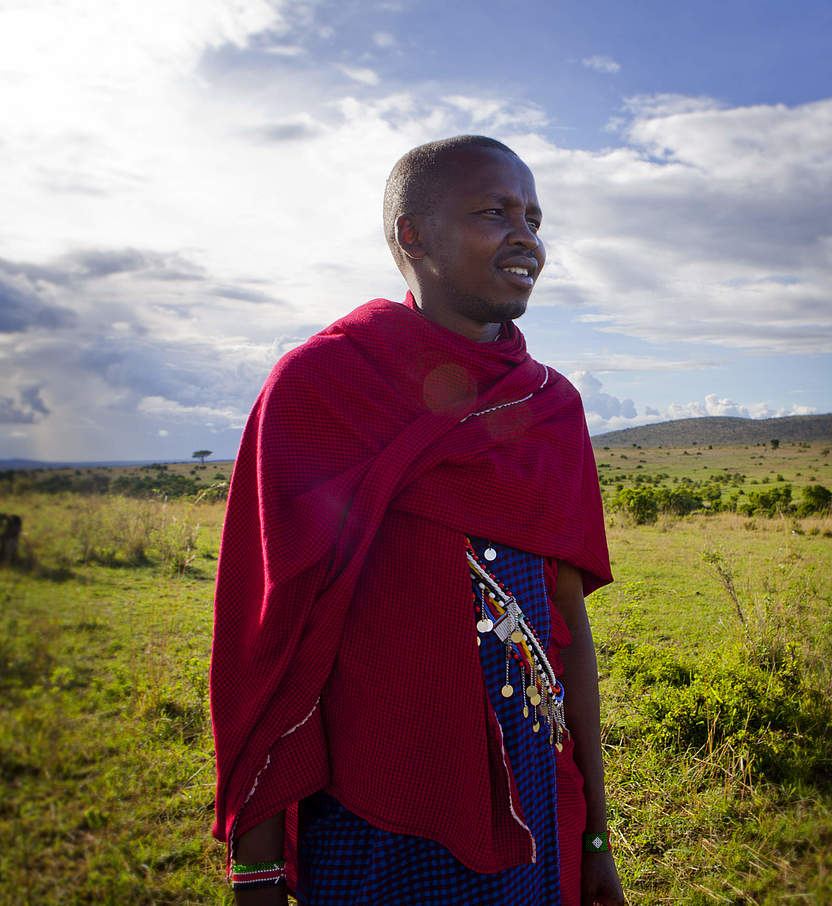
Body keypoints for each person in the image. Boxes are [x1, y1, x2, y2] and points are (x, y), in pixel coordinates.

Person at [209, 135, 626, 906]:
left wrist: (595, 832)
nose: (527, 236)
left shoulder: (549, 407)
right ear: (413, 235)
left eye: (534, 216)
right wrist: (258, 870)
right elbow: (262, 639)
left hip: (537, 806)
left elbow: (568, 621)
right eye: (494, 212)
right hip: (376, 822)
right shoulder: (318, 388)